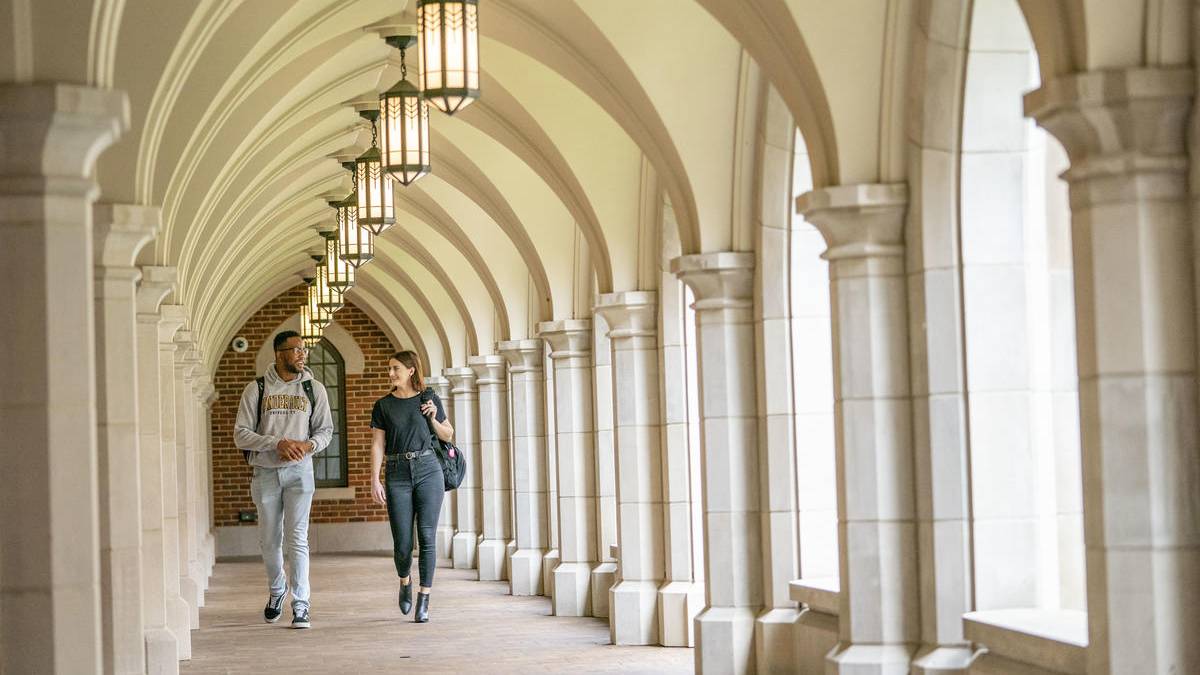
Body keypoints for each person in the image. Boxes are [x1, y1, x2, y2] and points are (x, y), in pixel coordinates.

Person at [234, 331, 333, 629]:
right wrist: (275, 443)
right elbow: (241, 434)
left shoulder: (314, 389)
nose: (302, 354)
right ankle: (277, 590)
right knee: (269, 540)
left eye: (304, 349)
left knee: (298, 537)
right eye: (296, 350)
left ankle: (301, 603)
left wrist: (308, 446)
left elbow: (325, 431)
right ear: (279, 354)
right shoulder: (257, 389)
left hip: (300, 471)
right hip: (266, 471)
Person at [370, 350, 453, 623]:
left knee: (427, 537)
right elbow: (378, 444)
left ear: (411, 371)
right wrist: (375, 479)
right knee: (403, 543)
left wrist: (431, 417)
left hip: (429, 470)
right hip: (397, 473)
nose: (391, 373)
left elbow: (448, 434)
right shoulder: (383, 405)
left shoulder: (429, 398)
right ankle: (405, 581)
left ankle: (424, 598)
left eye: (395, 368)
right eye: (389, 368)